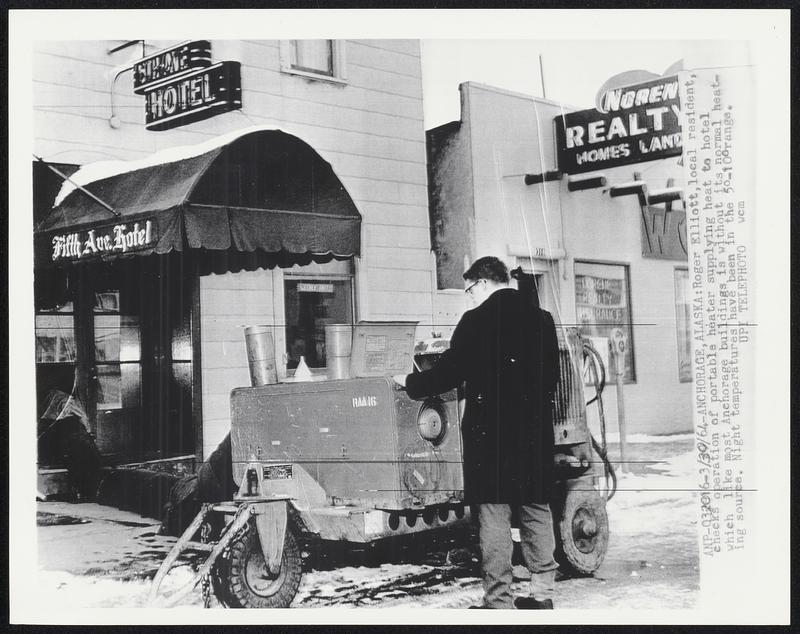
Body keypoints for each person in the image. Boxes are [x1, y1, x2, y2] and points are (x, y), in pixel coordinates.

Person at [393, 256, 560, 609]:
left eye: (469, 291)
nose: (468, 298)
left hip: (492, 439)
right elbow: (552, 381)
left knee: (494, 518)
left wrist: (408, 381)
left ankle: (498, 602)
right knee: (536, 509)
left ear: (483, 284)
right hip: (534, 436)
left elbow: (448, 374)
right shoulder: (542, 320)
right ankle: (543, 595)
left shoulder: (476, 321)